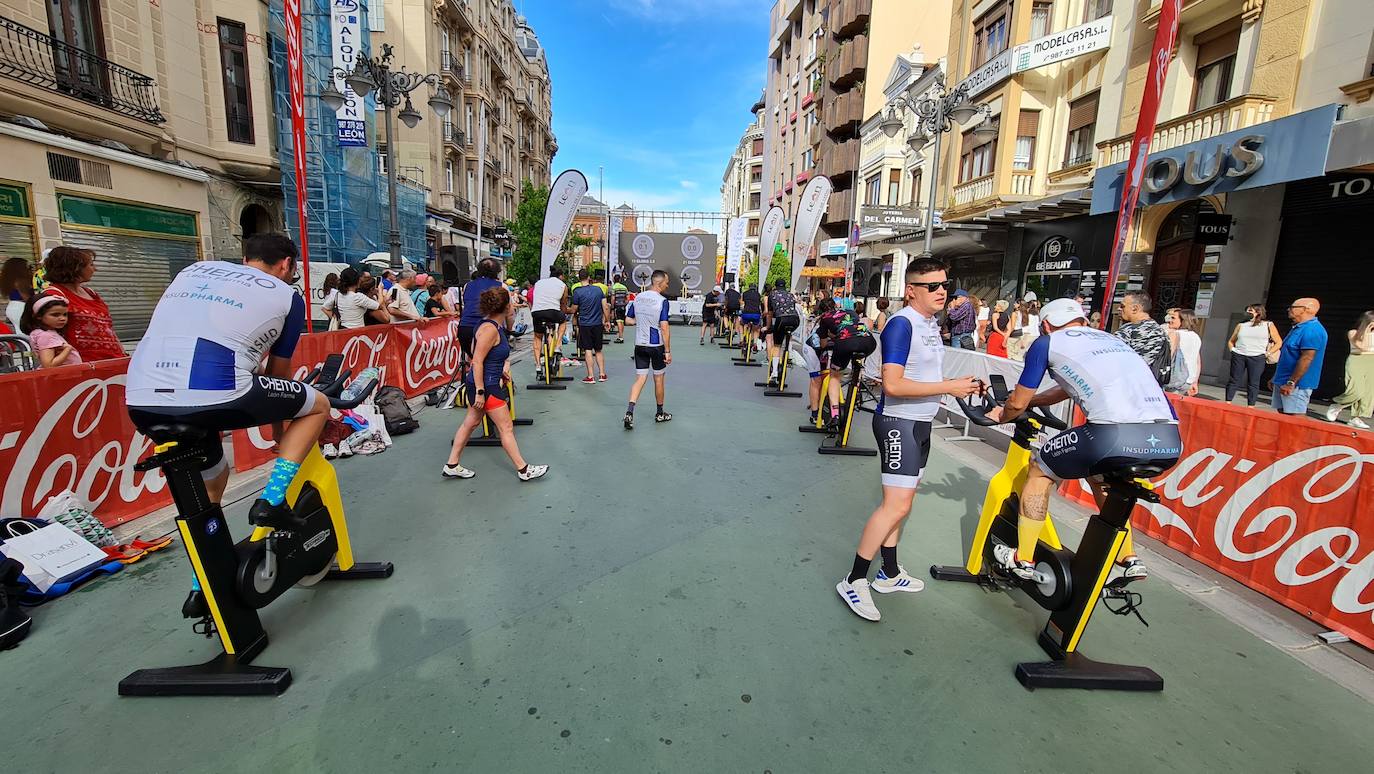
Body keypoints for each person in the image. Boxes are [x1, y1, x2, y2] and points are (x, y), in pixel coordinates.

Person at [126, 233, 328, 538]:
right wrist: (279, 429)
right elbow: (278, 371)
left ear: (246, 259)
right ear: (287, 264)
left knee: (213, 484)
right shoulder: (287, 296)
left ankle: (204, 581)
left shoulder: (193, 271)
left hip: (141, 397)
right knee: (317, 406)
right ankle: (272, 501)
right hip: (214, 391)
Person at [985, 298, 1181, 582]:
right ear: (1082, 321)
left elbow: (1017, 403)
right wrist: (1036, 402)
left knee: (1040, 469)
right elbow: (1066, 388)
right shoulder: (1110, 340)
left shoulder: (1047, 342)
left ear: (1047, 325)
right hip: (1168, 439)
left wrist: (1000, 414)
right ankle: (1129, 558)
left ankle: (1022, 558)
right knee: (1100, 475)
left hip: (1112, 435)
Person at [836, 257, 984, 621]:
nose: (941, 292)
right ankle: (855, 580)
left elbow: (923, 375)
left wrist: (955, 389)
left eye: (945, 285)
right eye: (932, 286)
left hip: (921, 424)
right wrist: (950, 386)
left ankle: (889, 573)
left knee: (904, 504)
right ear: (911, 290)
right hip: (898, 423)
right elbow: (893, 385)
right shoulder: (902, 324)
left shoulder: (930, 323)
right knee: (895, 506)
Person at [443, 287, 548, 482]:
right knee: (506, 427)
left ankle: (452, 464)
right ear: (506, 306)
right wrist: (481, 392)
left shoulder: (489, 326)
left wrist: (500, 372)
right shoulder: (490, 329)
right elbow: (477, 360)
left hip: (486, 381)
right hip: (487, 386)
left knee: (471, 423)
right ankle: (523, 469)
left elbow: (482, 356)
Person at [41, 246, 124, 361]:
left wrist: (123, 353)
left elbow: (108, 328)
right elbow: (46, 334)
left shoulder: (91, 293)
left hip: (113, 361)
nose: (95, 269)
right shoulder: (54, 295)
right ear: (75, 268)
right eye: (91, 265)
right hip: (81, 366)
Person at [814, 297, 877, 431]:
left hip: (845, 342)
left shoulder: (825, 318)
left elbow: (823, 344)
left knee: (834, 376)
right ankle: (857, 387)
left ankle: (835, 415)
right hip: (868, 342)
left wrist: (832, 338)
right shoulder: (850, 312)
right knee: (857, 363)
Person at [624, 269, 673, 429]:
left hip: (639, 344)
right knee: (658, 378)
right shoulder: (662, 301)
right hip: (656, 345)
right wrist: (667, 351)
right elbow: (664, 327)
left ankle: (629, 412)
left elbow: (628, 320)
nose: (668, 284)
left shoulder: (638, 297)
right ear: (659, 283)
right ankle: (660, 413)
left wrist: (642, 322)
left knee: (640, 379)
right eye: (666, 282)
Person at [1272, 298, 1327, 416]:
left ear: (1306, 309)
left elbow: (1306, 358)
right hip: (1283, 379)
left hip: (1297, 385)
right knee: (1282, 415)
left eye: (1293, 307)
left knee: (1295, 417)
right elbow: (1288, 355)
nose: (1289, 309)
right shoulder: (1298, 327)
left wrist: (1291, 382)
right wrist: (1275, 378)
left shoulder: (1312, 330)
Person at [1225, 303, 1282, 406]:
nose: (1247, 313)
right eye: (1247, 310)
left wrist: (1267, 353)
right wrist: (1232, 350)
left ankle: (1251, 405)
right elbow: (1231, 340)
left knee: (1253, 382)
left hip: (1258, 356)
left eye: (1251, 311)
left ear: (1258, 312)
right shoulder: (1241, 325)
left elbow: (1278, 342)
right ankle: (1227, 401)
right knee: (1234, 379)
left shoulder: (1268, 325)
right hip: (1239, 355)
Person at [1326, 310, 1374, 429]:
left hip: (1371, 361)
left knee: (1368, 393)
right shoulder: (1353, 333)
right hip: (1357, 360)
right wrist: (1367, 330)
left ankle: (1356, 418)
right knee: (1357, 390)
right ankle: (1338, 404)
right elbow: (1362, 347)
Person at [1115, 291, 1170, 384]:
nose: (1119, 308)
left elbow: (1112, 358)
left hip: (1128, 385)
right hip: (1152, 386)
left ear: (1135, 309)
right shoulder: (1161, 330)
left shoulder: (1128, 330)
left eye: (1122, 306)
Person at [570, 268, 610, 383]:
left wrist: (566, 310)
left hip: (585, 324)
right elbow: (605, 307)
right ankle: (602, 374)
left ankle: (591, 376)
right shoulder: (598, 290)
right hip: (597, 323)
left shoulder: (577, 292)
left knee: (588, 349)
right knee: (598, 350)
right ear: (589, 277)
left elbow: (574, 309)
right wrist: (607, 320)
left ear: (579, 279)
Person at [18, 293, 79, 368]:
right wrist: (68, 348)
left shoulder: (47, 333)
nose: (62, 318)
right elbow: (48, 365)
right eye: (55, 315)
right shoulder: (45, 335)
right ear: (39, 316)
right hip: (59, 377)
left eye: (65, 314)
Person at [530, 265, 570, 380]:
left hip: (537, 312)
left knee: (537, 337)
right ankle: (557, 345)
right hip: (553, 312)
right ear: (560, 276)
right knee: (563, 322)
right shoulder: (563, 285)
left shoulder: (539, 283)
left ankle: (538, 366)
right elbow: (563, 304)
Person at [459, 259, 504, 358]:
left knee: (473, 361)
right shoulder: (501, 286)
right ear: (497, 271)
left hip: (465, 328)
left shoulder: (467, 285)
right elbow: (510, 313)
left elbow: (467, 304)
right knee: (490, 362)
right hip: (486, 329)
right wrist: (509, 329)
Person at [763, 278, 800, 388]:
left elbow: (769, 314)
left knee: (777, 345)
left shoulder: (772, 295)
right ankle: (788, 352)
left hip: (781, 319)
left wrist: (768, 327)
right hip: (795, 319)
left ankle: (774, 372)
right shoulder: (790, 295)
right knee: (788, 335)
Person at [326, 267, 391, 329]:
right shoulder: (357, 297)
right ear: (356, 281)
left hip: (343, 330)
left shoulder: (338, 294)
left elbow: (325, 308)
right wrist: (380, 290)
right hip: (357, 331)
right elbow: (378, 305)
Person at [1165, 308, 1202, 396]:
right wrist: (1195, 382)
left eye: (1173, 318)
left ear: (1183, 320)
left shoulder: (1174, 334)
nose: (1170, 320)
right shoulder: (1196, 337)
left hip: (1174, 378)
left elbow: (1168, 356)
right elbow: (1197, 361)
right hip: (1188, 380)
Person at [3, 256, 34, 332]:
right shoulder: (20, 282)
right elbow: (27, 298)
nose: (31, 270)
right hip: (21, 307)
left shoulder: (10, 280)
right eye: (29, 268)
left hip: (14, 306)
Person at [740, 282, 763, 347]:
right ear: (755, 288)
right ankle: (755, 343)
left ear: (749, 287)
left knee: (741, 324)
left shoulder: (745, 293)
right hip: (756, 314)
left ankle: (741, 339)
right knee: (756, 328)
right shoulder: (758, 294)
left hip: (746, 313)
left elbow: (742, 303)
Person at [610, 274, 630, 343]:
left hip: (617, 306)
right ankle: (621, 336)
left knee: (618, 321)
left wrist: (612, 307)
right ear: (619, 280)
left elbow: (613, 298)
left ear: (614, 280)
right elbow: (628, 298)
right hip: (623, 306)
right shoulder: (624, 287)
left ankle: (620, 337)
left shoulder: (614, 287)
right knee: (622, 321)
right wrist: (625, 304)